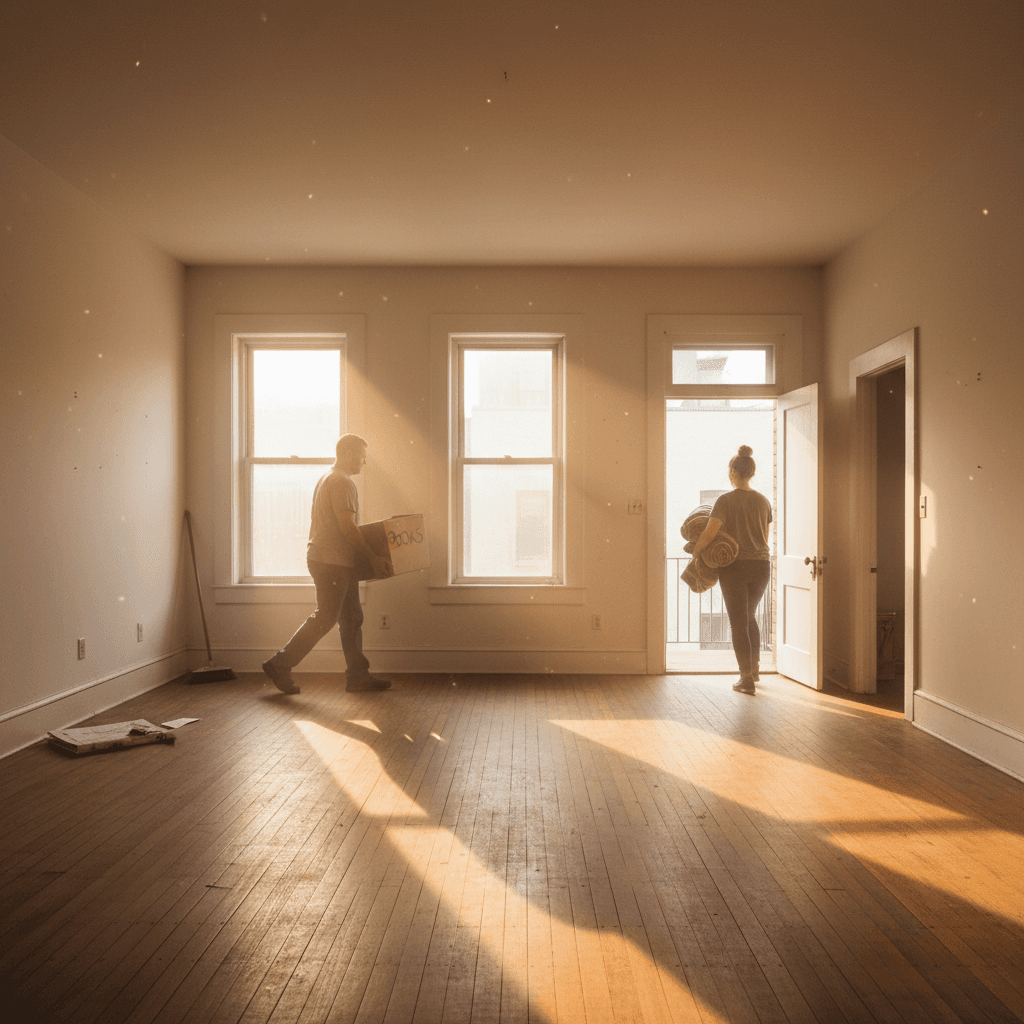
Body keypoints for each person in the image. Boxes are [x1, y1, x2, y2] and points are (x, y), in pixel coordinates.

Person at [262, 433, 394, 695]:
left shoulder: (329, 477)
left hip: (337, 561)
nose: (364, 463)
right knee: (326, 617)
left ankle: (358, 676)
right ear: (347, 453)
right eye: (362, 457)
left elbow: (342, 526)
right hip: (331, 561)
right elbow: (347, 526)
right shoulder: (342, 482)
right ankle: (280, 663)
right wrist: (373, 557)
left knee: (352, 617)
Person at [692, 445, 773, 695]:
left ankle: (745, 678)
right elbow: (765, 538)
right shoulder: (763, 500)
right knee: (749, 616)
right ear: (751, 473)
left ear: (732, 472)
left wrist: (696, 552)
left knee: (739, 621)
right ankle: (755, 669)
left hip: (736, 567)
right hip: (761, 566)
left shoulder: (725, 500)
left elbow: (710, 532)